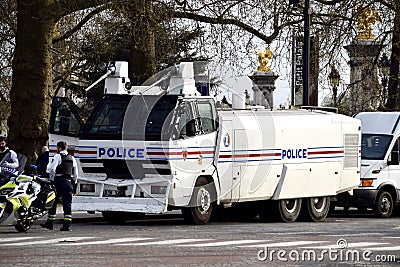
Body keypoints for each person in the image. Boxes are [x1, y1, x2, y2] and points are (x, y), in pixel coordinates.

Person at [40, 141, 78, 231]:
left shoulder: (57, 156)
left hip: (58, 182)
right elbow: (75, 173)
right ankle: (67, 224)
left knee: (53, 202)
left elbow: (52, 169)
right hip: (68, 182)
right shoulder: (72, 158)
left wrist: (51, 180)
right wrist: (74, 182)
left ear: (59, 148)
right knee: (67, 204)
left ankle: (50, 223)